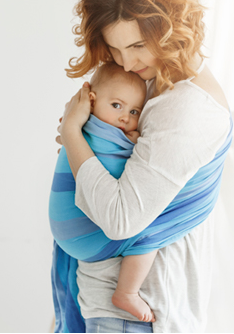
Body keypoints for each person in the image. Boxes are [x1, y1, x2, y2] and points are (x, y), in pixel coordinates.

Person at [55, 0, 232, 332]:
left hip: (138, 313)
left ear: (173, 27)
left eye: (137, 45)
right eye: (114, 47)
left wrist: (72, 134)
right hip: (107, 304)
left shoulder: (185, 109)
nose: (125, 61)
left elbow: (120, 219)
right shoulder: (147, 80)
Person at [55, 62, 160, 323]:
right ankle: (127, 292)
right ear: (90, 101)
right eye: (117, 105)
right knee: (153, 233)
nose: (125, 117)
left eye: (134, 111)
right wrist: (133, 142)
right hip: (86, 235)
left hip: (65, 233)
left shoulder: (79, 131)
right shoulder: (106, 134)